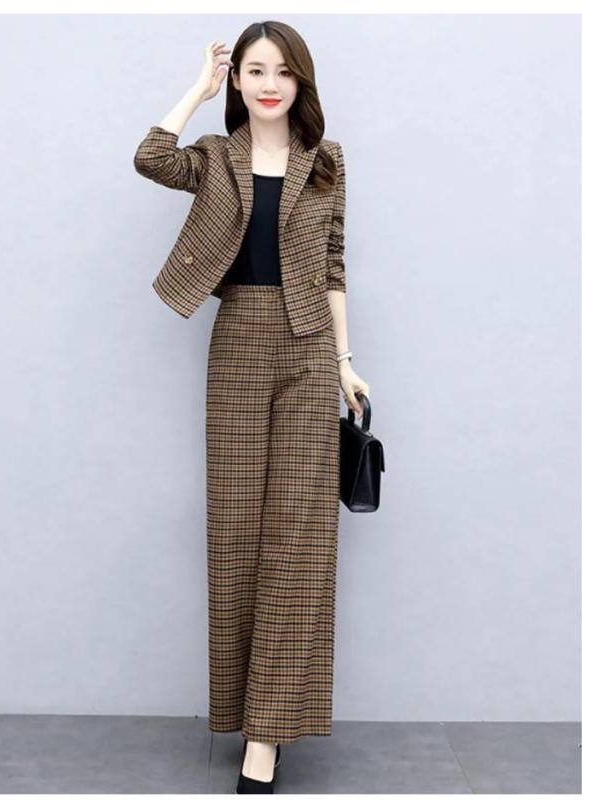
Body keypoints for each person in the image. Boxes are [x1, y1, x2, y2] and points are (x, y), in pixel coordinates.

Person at [134, 21, 370, 794]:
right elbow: (149, 158)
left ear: (302, 81)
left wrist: (344, 364)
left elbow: (333, 268)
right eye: (255, 70)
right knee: (237, 537)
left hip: (309, 349)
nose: (270, 84)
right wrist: (197, 91)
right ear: (238, 80)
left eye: (284, 71)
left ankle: (266, 737)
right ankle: (245, 715)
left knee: (299, 543)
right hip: (237, 339)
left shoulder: (326, 162)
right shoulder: (215, 157)